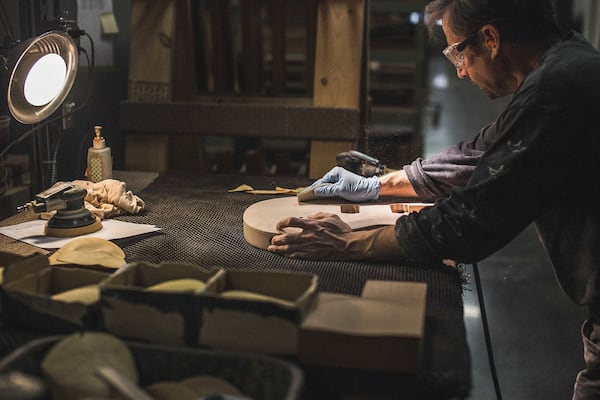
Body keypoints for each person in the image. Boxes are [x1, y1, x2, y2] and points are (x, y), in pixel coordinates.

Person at [267, 0, 600, 398]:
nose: (459, 70)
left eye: (458, 51)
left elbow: (469, 220)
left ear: (491, 39)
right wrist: (378, 185)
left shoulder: (552, 91)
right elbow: (480, 154)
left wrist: (348, 242)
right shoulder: (571, 62)